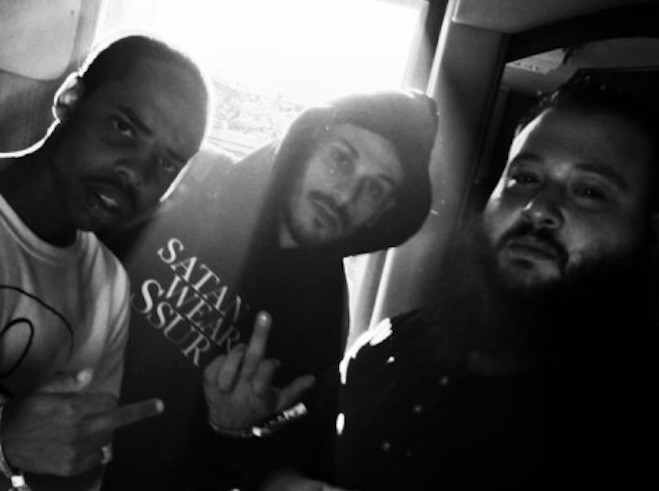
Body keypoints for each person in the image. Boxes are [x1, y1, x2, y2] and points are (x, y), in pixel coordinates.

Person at [205, 82, 659, 490]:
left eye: (589, 191)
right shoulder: (391, 343)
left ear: (652, 236)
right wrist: (249, 441)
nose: (538, 208)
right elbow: (285, 439)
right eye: (524, 178)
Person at [98, 89, 439, 490]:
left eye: (375, 189)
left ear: (382, 213)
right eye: (341, 159)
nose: (345, 196)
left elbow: (264, 467)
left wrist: (233, 430)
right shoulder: (194, 181)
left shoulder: (322, 324)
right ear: (306, 144)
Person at [0, 34, 210, 491]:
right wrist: (5, 444)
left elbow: (74, 467)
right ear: (70, 99)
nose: (137, 173)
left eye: (168, 164)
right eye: (123, 127)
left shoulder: (108, 288)